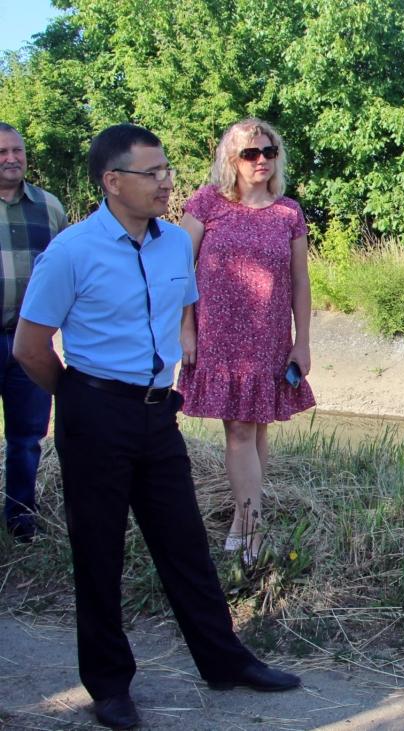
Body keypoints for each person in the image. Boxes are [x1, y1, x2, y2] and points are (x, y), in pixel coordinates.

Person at [13, 124, 300, 730]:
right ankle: (109, 686)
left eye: (167, 169)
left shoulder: (174, 246)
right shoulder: (71, 251)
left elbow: (184, 312)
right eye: (152, 173)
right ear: (113, 181)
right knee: (99, 554)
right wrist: (79, 400)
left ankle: (224, 661)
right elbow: (30, 347)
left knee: (184, 544)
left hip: (157, 411)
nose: (166, 182)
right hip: (94, 411)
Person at [177, 118, 314, 561]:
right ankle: (252, 528)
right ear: (231, 159)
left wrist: (302, 342)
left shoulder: (288, 212)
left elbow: (300, 282)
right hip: (218, 336)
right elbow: (178, 268)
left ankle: (244, 519)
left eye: (269, 152)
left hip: (268, 336)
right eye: (250, 153)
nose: (261, 160)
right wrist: (185, 328)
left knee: (256, 428)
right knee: (238, 428)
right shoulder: (207, 202)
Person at [0, 122, 66, 541]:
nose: (11, 159)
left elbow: (68, 270)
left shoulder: (49, 207)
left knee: (27, 438)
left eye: (17, 151)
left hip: (30, 342)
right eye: (2, 152)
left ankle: (21, 520)